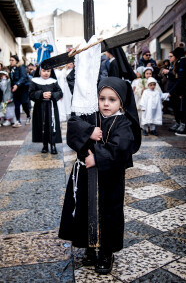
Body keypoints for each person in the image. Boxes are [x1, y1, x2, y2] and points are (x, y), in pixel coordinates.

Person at [59, 76, 141, 275]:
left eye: (112, 99)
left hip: (110, 180)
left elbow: (122, 146)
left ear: (121, 101)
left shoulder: (123, 122)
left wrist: (98, 158)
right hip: (86, 177)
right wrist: (88, 132)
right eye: (102, 98)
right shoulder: (90, 116)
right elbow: (73, 124)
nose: (105, 103)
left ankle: (105, 252)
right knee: (86, 209)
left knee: (108, 213)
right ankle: (89, 246)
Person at [29, 66, 63, 154]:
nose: (46, 73)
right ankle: (44, 145)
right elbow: (31, 94)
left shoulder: (53, 81)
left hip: (51, 107)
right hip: (40, 108)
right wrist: (41, 94)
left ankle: (53, 145)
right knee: (42, 125)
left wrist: (51, 95)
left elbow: (60, 93)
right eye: (44, 71)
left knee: (52, 125)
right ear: (40, 71)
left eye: (48, 71)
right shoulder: (35, 81)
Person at [171, 47, 186, 136]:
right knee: (184, 108)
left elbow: (181, 79)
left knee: (185, 109)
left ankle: (185, 129)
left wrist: (172, 91)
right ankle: (184, 127)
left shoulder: (182, 62)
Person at [9, 55, 31, 128]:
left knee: (24, 104)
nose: (11, 62)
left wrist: (17, 84)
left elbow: (23, 77)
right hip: (15, 89)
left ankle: (28, 116)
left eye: (12, 60)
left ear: (16, 61)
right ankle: (18, 121)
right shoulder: (11, 68)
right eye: (10, 60)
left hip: (23, 88)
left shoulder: (21, 67)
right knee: (17, 105)